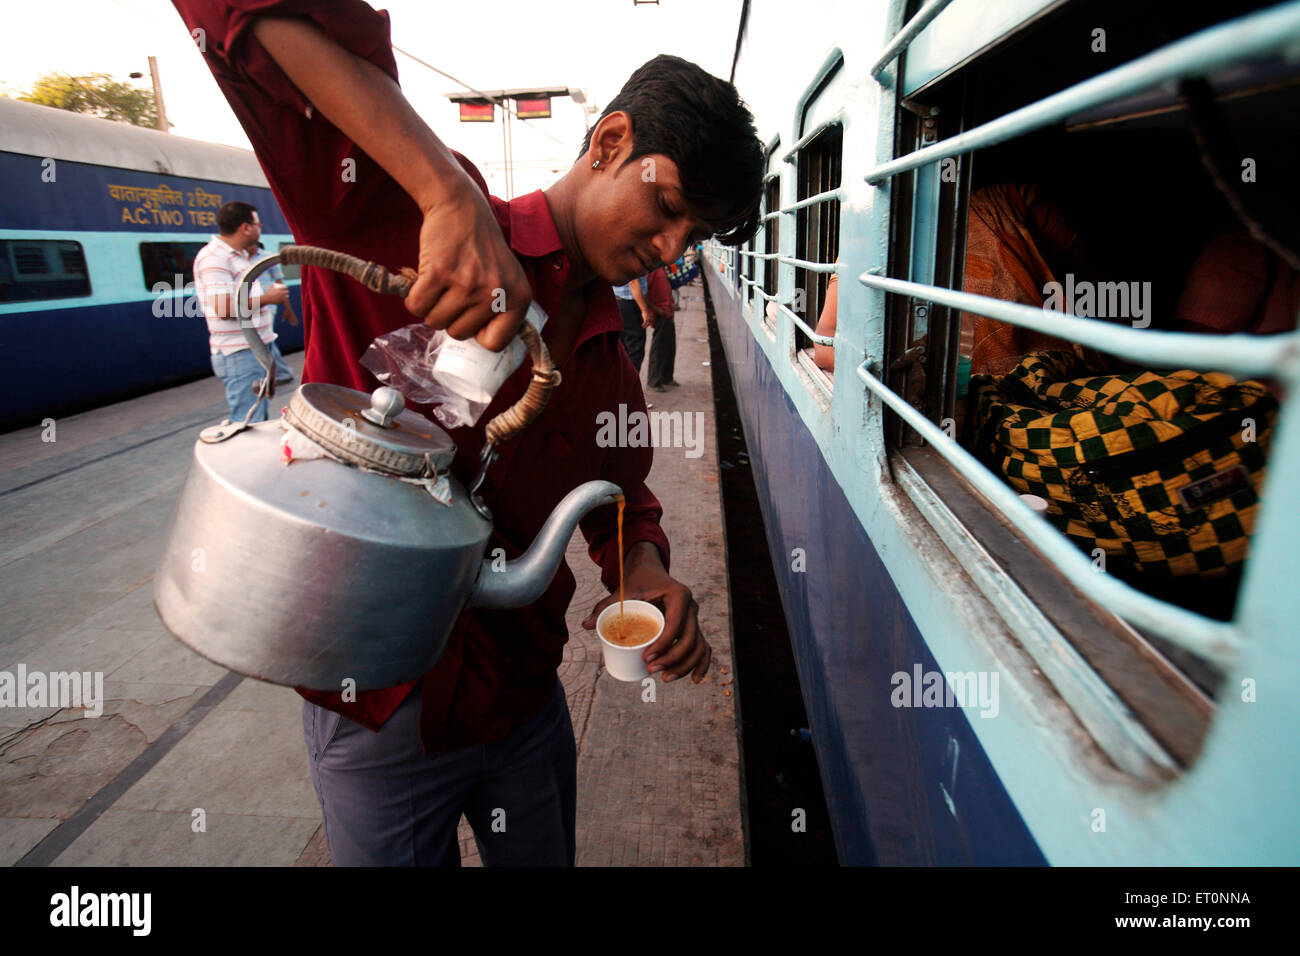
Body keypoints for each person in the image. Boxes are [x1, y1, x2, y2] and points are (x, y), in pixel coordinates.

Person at [172, 0, 763, 866]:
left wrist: (650, 577)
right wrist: (444, 192)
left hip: (523, 705)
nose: (672, 246)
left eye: (695, 235)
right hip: (377, 707)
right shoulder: (405, 212)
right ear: (609, 144)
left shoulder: (605, 356)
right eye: (667, 205)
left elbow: (617, 502)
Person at [193, 200, 289, 423]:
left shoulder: (238, 256)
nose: (260, 228)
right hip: (240, 354)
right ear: (245, 228)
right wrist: (268, 298)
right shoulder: (214, 259)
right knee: (249, 421)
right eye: (258, 224)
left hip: (254, 349)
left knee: (259, 417)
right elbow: (223, 308)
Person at [256, 241, 300, 384]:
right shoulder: (241, 259)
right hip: (255, 304)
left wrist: (288, 308)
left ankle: (281, 372)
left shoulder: (267, 258)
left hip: (269, 305)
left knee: (264, 338)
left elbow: (279, 283)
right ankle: (280, 371)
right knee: (264, 338)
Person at [645, 266, 678, 390]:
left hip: (668, 312)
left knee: (670, 346)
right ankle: (654, 381)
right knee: (658, 348)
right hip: (661, 313)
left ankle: (666, 377)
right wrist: (656, 310)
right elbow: (643, 294)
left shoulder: (662, 269)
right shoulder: (651, 271)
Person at [613, 274, 653, 373]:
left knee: (623, 350)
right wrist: (644, 309)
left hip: (618, 302)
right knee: (634, 351)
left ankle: (622, 385)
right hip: (630, 305)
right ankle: (629, 386)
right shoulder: (628, 258)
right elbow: (633, 281)